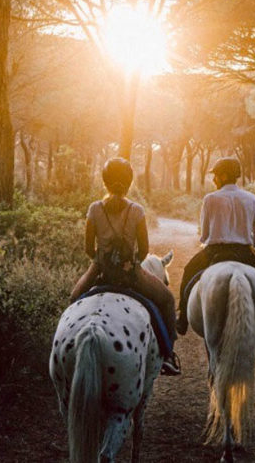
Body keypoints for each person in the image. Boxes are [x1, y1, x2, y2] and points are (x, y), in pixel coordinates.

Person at [70, 157, 181, 375]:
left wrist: (102, 260)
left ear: (105, 181)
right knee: (167, 300)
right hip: (132, 273)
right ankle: (168, 356)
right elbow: (144, 249)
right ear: (129, 182)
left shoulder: (94, 209)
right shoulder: (137, 210)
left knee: (74, 299)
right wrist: (131, 264)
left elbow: (88, 248)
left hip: (100, 269)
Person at [177, 156, 255, 336]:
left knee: (188, 272)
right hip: (243, 252)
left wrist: (207, 238)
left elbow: (204, 234)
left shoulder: (210, 199)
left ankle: (182, 320)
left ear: (224, 175)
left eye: (216, 175)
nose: (214, 179)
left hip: (214, 252)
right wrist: (254, 242)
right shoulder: (251, 198)